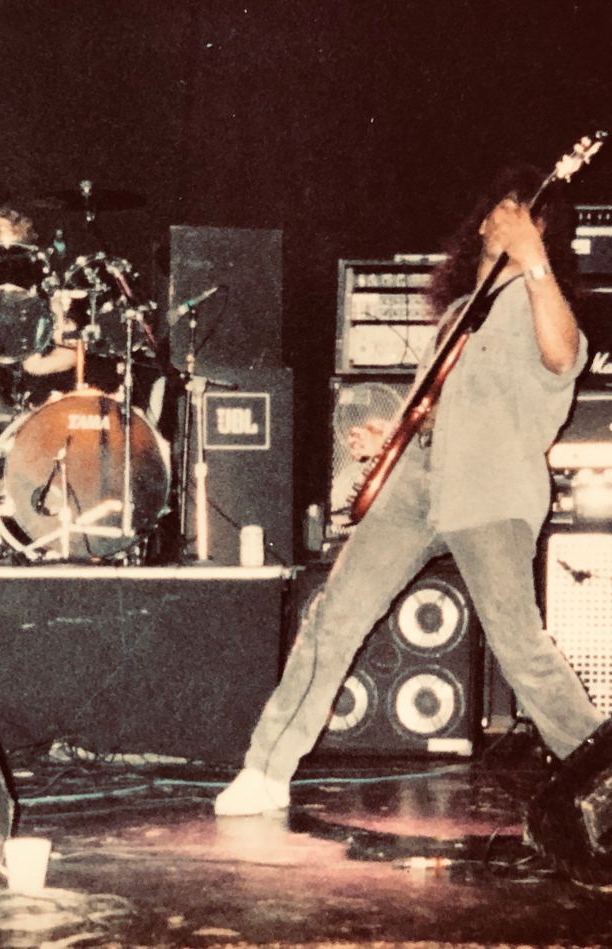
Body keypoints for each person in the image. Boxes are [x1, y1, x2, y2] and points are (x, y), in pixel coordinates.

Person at [215, 166, 606, 816]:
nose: (506, 218)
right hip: (419, 482)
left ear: (542, 229)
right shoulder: (458, 316)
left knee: (520, 648)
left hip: (492, 489)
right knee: (333, 615)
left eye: (522, 213)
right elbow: (439, 409)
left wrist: (534, 261)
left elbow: (565, 356)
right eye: (501, 208)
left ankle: (603, 778)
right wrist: (393, 433)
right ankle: (264, 769)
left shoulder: (540, 301)